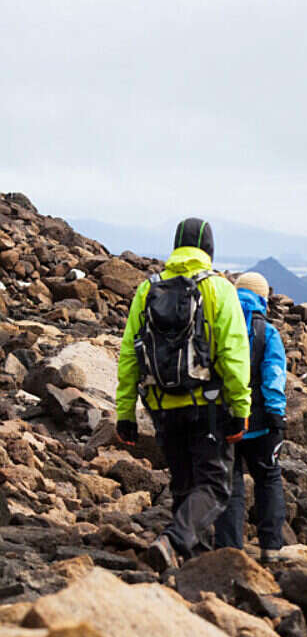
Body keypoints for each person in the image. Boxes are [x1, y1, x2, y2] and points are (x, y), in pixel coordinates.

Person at [116, 218, 252, 572]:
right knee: (214, 487)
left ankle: (189, 567)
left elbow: (130, 354)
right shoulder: (219, 289)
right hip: (208, 406)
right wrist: (241, 407)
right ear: (209, 249)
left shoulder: (147, 289)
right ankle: (174, 540)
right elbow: (234, 354)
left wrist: (125, 413)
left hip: (162, 405)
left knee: (184, 486)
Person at [213, 272, 287, 561]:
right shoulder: (267, 332)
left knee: (230, 484)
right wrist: (276, 414)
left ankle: (230, 550)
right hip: (261, 425)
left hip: (225, 420)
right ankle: (271, 547)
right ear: (263, 299)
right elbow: (273, 375)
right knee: (268, 479)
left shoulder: (219, 324)